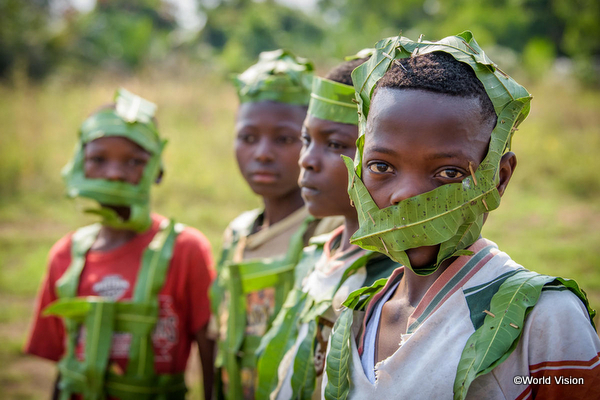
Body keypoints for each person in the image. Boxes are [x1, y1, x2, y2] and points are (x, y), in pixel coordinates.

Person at [322, 32, 600, 400]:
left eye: (449, 173)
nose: (405, 194)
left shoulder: (544, 318)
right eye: (381, 166)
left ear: (499, 178)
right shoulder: (355, 318)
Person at [24, 88, 215, 400]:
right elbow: (66, 363)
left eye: (134, 161)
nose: (114, 174)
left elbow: (210, 350)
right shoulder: (66, 257)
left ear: (158, 171)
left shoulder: (186, 250)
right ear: (78, 166)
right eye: (98, 160)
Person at [254, 53, 398, 400]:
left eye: (334, 144)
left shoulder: (393, 276)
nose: (306, 160)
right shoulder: (319, 253)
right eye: (306, 140)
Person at [210, 49, 341, 400]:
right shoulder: (237, 234)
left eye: (285, 140)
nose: (262, 153)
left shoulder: (329, 231)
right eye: (248, 138)